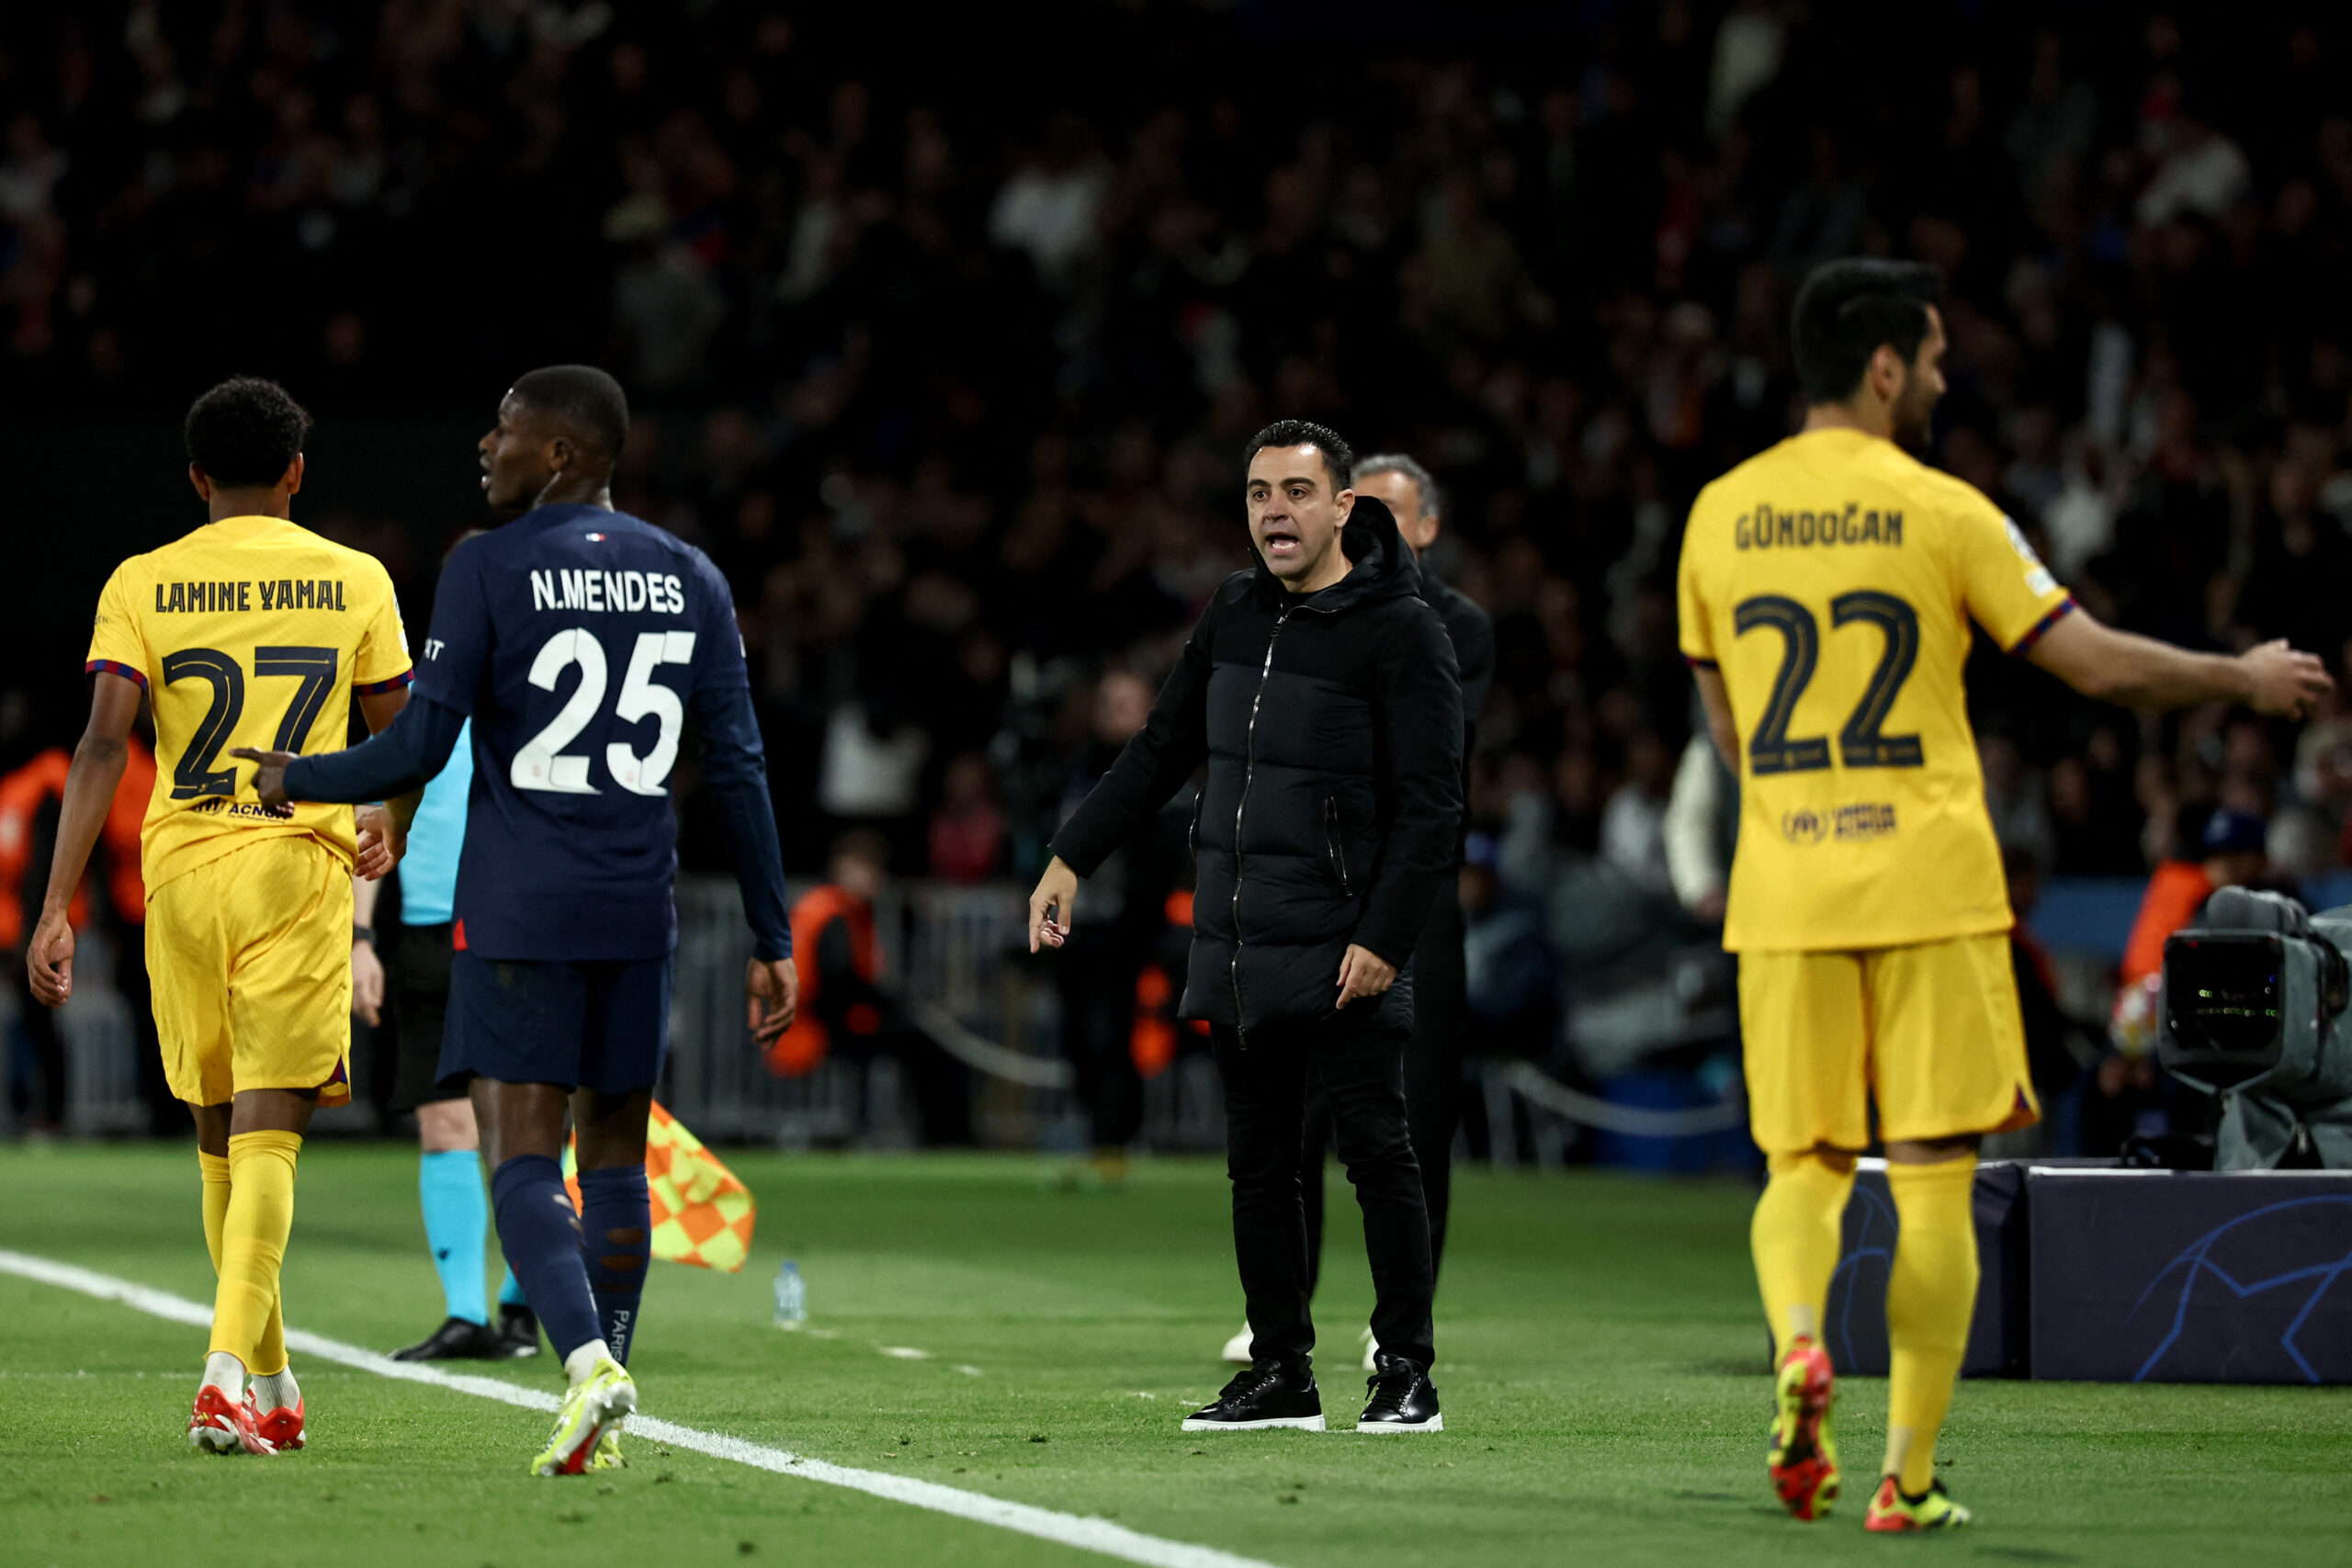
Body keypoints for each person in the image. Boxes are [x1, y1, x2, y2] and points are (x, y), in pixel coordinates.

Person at [1676, 258, 2332, 1530]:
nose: (1937, 374)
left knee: (1800, 1164)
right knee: (1931, 1180)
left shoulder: (1717, 515)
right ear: (1880, 367)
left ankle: (1802, 1341)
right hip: (1928, 881)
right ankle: (1905, 1476)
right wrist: (2237, 678)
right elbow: (2092, 663)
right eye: (1926, 355)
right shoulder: (1945, 510)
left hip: (1790, 886)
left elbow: (1731, 728)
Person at [241, 365, 797, 1477]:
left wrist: (294, 775)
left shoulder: (484, 565)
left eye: (503, 428)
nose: (484, 446)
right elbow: (737, 765)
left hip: (519, 907)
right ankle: (615, 1378)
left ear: (561, 452)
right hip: (638, 906)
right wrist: (773, 934)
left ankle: (588, 1362)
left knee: (522, 1157)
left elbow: (417, 748)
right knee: (619, 1159)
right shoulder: (692, 575)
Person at [1031, 419, 1463, 1435]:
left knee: (1376, 1156)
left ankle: (1405, 1371)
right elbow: (1157, 750)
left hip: (1349, 939)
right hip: (1239, 938)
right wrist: (1069, 855)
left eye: (1297, 493)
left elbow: (1434, 806)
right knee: (1261, 1166)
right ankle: (1282, 1374)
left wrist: (1387, 938)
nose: (1275, 511)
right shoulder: (1231, 611)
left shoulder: (1401, 630)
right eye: (1260, 493)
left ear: (1343, 508)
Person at [28, 377, 416, 1457]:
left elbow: (105, 742)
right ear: (297, 473)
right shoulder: (357, 579)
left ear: (196, 477)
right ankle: (220, 1377)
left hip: (181, 872)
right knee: (272, 1132)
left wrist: (55, 906)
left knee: (219, 1134)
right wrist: (391, 817)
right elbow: (402, 730)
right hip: (294, 862)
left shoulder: (142, 580)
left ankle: (273, 1377)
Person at [1224, 451, 1495, 1367]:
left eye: (1389, 514)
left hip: (1412, 903)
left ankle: (1400, 1330)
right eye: (1358, 510)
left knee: (1413, 1118)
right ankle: (1280, 1312)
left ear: (1425, 530)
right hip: (1310, 893)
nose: (1367, 528)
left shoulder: (1455, 628)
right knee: (1293, 1111)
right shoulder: (1287, 611)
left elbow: (1421, 763)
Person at [349, 682, 541, 1362]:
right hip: (428, 936)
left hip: (514, 932)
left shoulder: (528, 705)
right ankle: (465, 1312)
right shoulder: (406, 718)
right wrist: (361, 938)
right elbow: (371, 827)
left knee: (531, 1119)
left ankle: (525, 1291)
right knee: (443, 1121)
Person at [766, 829, 971, 1145]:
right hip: (815, 1026)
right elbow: (838, 983)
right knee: (922, 1045)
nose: (872, 878)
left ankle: (937, 1132)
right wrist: (889, 1005)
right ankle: (943, 1135)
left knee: (919, 1041)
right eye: (863, 868)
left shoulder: (834, 909)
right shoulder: (832, 913)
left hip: (820, 1019)